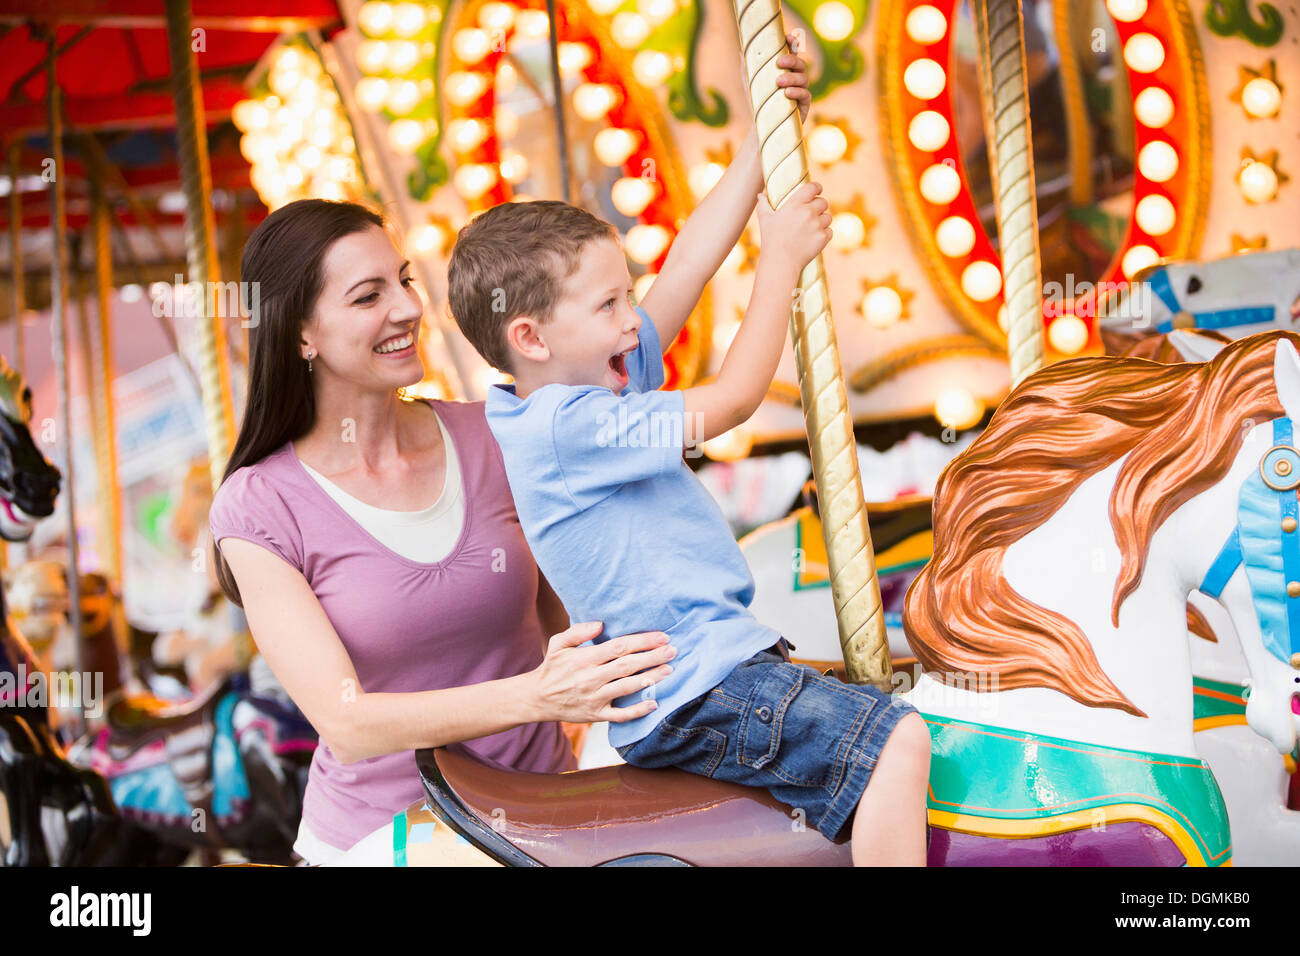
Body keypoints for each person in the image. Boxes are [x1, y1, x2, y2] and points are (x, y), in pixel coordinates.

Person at [448, 62, 932, 867]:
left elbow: (684, 272)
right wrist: (779, 259)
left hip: (712, 670)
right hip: (697, 689)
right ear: (530, 337)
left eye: (623, 296)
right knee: (896, 743)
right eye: (608, 305)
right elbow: (737, 398)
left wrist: (763, 140)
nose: (632, 320)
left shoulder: (577, 384)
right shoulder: (565, 427)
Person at [208, 199, 676, 864]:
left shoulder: (494, 434)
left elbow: (566, 615)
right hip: (393, 837)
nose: (405, 307)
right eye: (368, 295)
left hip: (547, 812)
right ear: (300, 335)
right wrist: (538, 696)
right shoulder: (260, 507)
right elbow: (349, 723)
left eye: (403, 280)